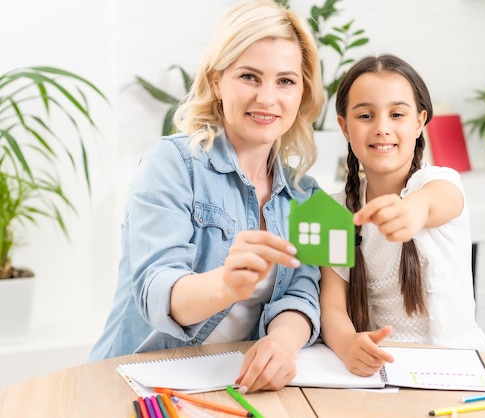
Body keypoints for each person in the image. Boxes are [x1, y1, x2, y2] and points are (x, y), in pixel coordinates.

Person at [89, 0, 325, 394]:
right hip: (136, 382)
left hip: (232, 386)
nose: (268, 98)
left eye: (286, 81)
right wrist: (225, 285)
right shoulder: (173, 162)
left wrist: (283, 342)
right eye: (250, 76)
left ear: (302, 91)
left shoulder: (309, 195)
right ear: (217, 81)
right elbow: (156, 288)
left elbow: (305, 290)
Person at [320, 54, 485, 377]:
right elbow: (332, 307)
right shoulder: (331, 211)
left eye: (397, 114)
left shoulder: (441, 182)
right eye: (366, 115)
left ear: (419, 121)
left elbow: (433, 202)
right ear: (344, 126)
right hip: (385, 372)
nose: (382, 128)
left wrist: (410, 212)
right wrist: (347, 344)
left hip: (460, 369)